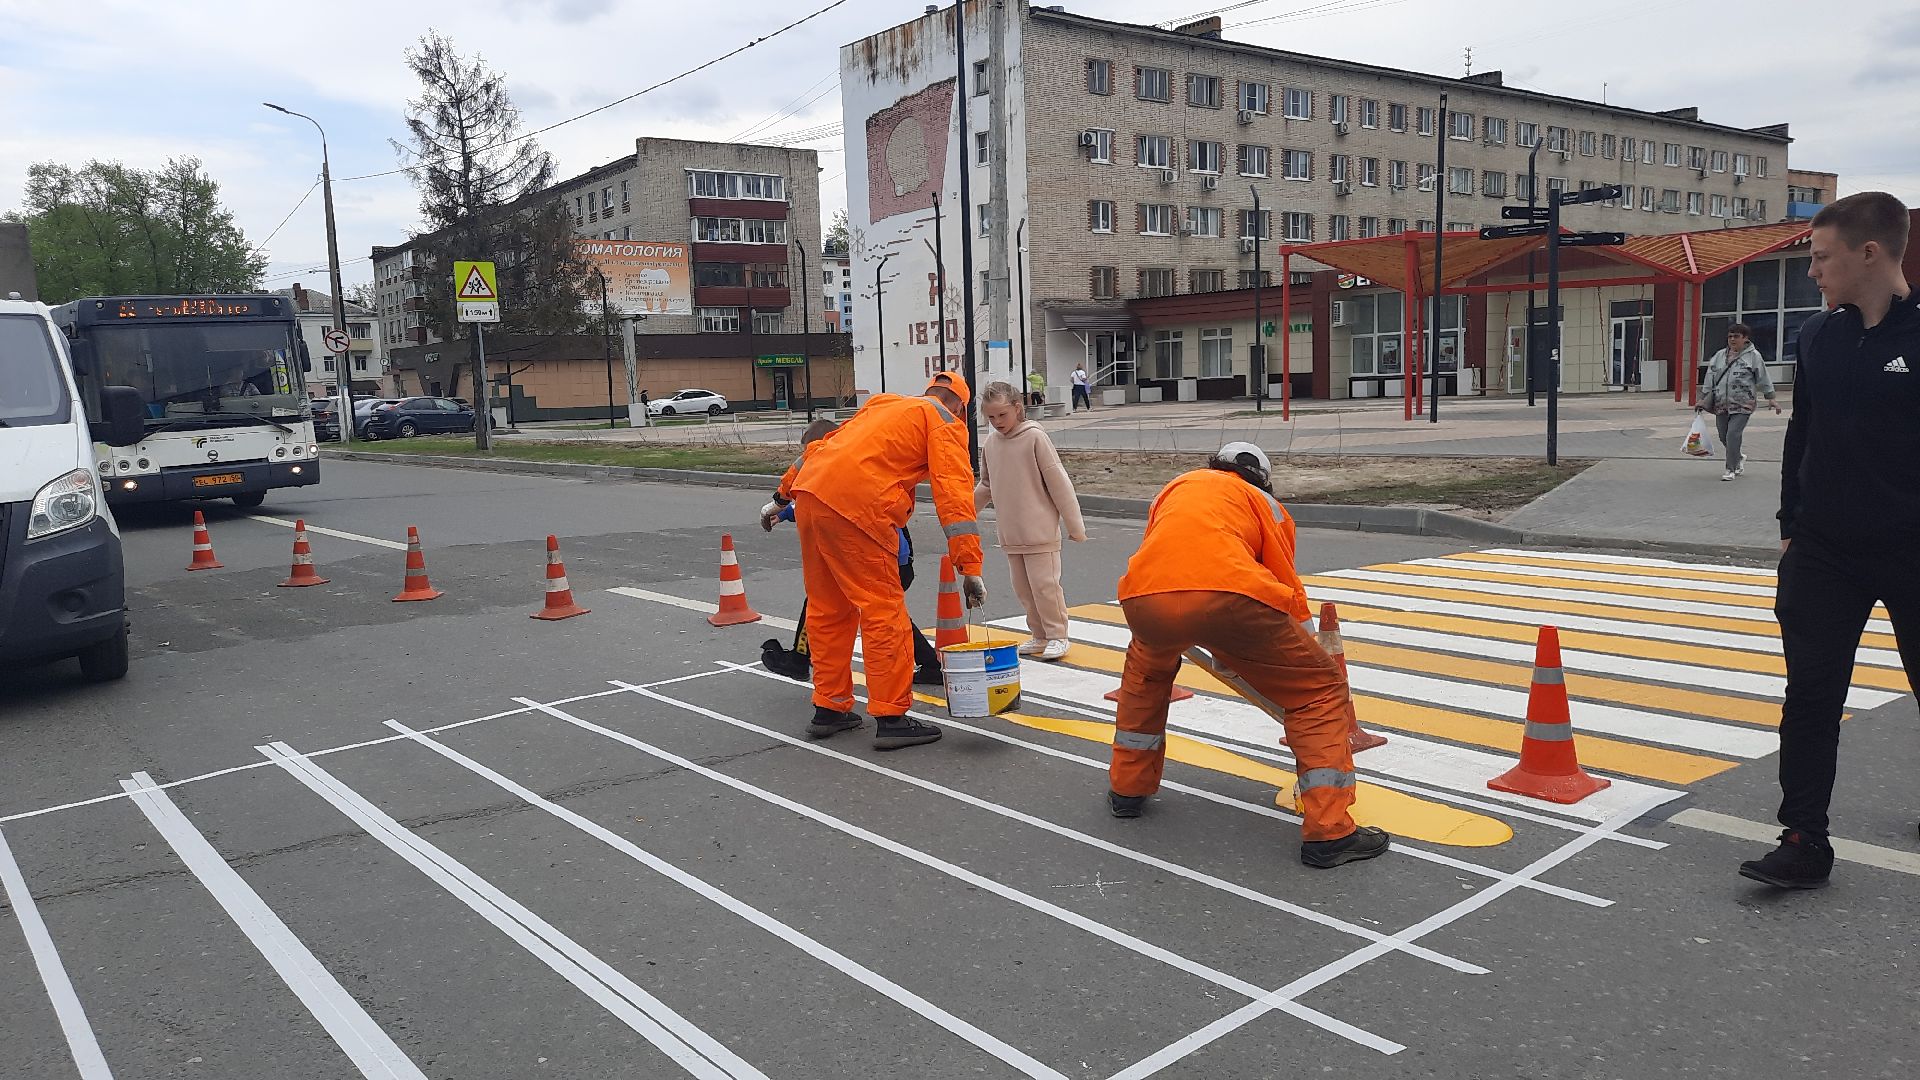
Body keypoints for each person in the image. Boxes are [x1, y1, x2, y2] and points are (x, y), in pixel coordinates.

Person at [1741, 191, 1920, 890]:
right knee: (1810, 697)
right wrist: (1791, 528)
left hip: (1912, 548)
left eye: (1820, 257)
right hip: (1823, 551)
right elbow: (1801, 437)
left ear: (1868, 253)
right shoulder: (1818, 337)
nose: (1812, 271)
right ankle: (1803, 840)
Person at [1107, 441, 1389, 868]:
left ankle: (1127, 791)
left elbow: (1171, 557)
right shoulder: (1265, 504)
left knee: (1145, 678)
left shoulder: (1177, 487)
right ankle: (1330, 832)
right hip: (1230, 597)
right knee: (1317, 692)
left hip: (1145, 599)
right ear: (1264, 479)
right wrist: (1303, 652)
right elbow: (1285, 589)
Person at [760, 371, 985, 750]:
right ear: (960, 407)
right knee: (883, 612)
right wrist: (970, 568)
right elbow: (955, 498)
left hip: (811, 497)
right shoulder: (945, 423)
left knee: (827, 610)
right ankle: (891, 716)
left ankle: (829, 709)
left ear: (928, 391)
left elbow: (820, 448)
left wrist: (780, 499)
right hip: (859, 508)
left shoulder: (884, 404)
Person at [763, 419, 943, 686]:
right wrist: (787, 513)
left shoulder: (852, 472)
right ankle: (930, 665)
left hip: (888, 558)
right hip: (896, 560)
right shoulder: (847, 467)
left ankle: (802, 661)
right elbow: (818, 497)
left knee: (832, 607)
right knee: (886, 613)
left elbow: (835, 503)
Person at [975, 381, 1087, 661]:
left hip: (1040, 531)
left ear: (1017, 408)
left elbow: (1058, 482)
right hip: (1011, 534)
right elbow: (986, 485)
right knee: (1024, 589)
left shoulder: (1035, 437)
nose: (997, 422)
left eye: (1002, 415)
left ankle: (1058, 634)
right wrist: (961, 514)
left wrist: (1075, 526)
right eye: (991, 417)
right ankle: (1039, 634)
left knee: (1045, 586)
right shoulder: (991, 444)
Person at [1696, 323, 1781, 481]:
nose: (1732, 339)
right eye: (1730, 336)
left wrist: (1771, 399)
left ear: (1745, 338)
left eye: (1736, 336)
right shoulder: (1719, 356)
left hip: (1743, 403)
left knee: (1733, 434)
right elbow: (1709, 378)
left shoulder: (1753, 356)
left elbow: (1763, 378)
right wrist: (1702, 399)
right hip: (1721, 402)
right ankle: (1738, 456)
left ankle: (1731, 468)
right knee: (1723, 435)